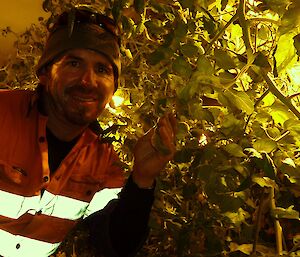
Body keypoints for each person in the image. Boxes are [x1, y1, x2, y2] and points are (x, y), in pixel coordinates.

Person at [0, 5, 177, 257]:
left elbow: (115, 245)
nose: (88, 81)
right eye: (74, 63)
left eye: (102, 70)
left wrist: (142, 180)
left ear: (113, 87)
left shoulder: (104, 162)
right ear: (44, 73)